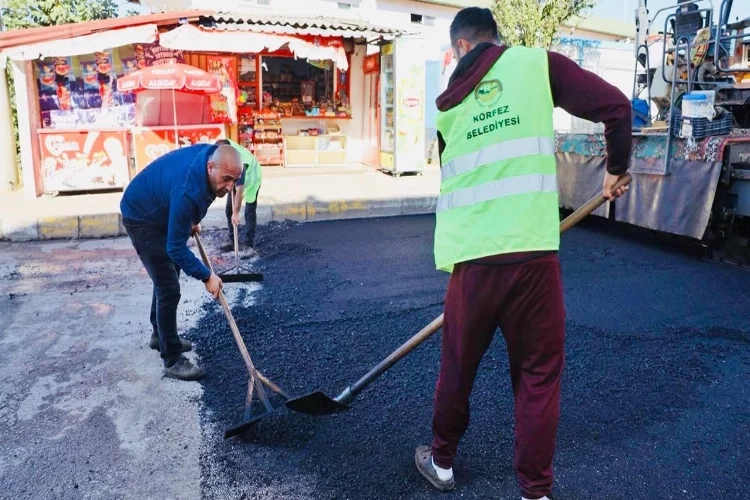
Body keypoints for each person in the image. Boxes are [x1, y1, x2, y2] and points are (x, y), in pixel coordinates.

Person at [413, 7, 632, 500]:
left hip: (471, 260)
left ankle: (442, 461)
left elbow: (454, 180)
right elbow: (617, 107)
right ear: (494, 40)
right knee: (537, 375)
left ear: (461, 48)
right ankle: (535, 492)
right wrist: (616, 168)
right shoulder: (537, 64)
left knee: (457, 368)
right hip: (533, 257)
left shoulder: (446, 107)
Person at [120, 143, 243, 381]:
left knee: (168, 275)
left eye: (233, 181)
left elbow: (220, 183)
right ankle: (172, 359)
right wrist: (207, 276)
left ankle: (160, 335)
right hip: (142, 217)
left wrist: (188, 218)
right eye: (226, 179)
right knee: (168, 287)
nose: (229, 188)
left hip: (163, 208)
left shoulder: (222, 160)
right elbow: (175, 248)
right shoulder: (189, 189)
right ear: (210, 167)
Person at [216, 139, 263, 257]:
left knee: (249, 212)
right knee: (229, 210)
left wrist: (236, 213)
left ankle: (249, 246)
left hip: (252, 179)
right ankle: (233, 241)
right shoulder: (222, 147)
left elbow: (240, 189)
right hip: (234, 177)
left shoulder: (240, 161)